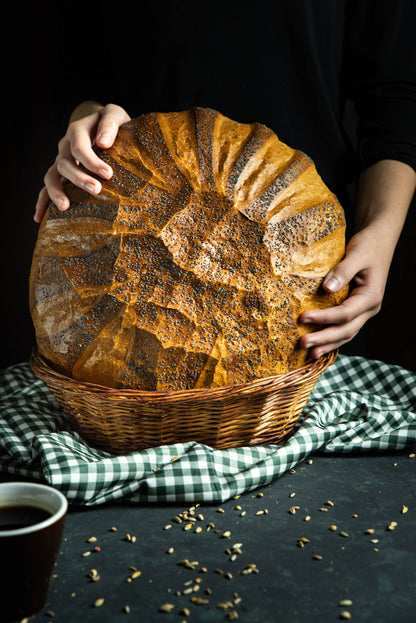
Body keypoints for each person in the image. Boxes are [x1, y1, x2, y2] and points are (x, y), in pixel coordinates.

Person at [33, 1, 416, 361]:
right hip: (120, 268)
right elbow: (78, 71)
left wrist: (381, 230)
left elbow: (396, 96)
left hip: (308, 279)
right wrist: (89, 124)